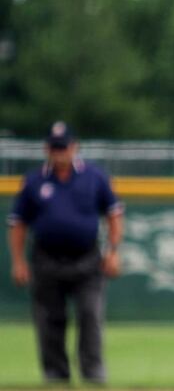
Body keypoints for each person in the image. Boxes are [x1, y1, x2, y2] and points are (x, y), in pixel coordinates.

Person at [6, 121, 124, 384]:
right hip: (46, 259)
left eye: (64, 146)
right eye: (55, 147)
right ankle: (56, 376)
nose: (59, 152)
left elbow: (114, 214)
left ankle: (93, 376)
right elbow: (18, 223)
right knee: (49, 320)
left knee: (90, 316)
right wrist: (18, 261)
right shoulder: (34, 181)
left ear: (74, 147)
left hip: (87, 259)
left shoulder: (94, 176)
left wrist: (113, 251)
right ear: (46, 148)